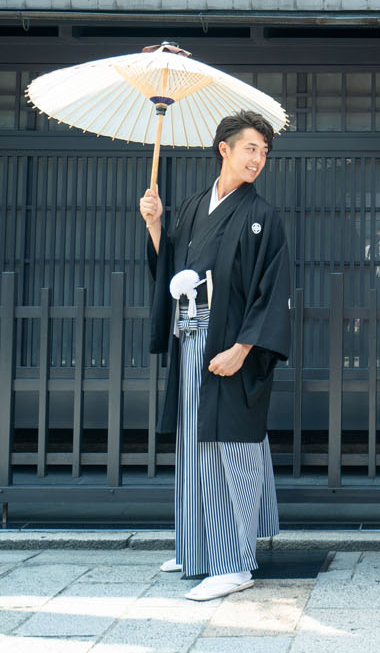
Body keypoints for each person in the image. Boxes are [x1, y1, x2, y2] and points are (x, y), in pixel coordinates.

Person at [139, 111, 292, 600]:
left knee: (231, 448)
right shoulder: (189, 206)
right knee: (193, 445)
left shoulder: (263, 216)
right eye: (251, 149)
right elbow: (172, 268)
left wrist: (244, 349)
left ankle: (233, 562)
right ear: (224, 149)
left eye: (264, 153)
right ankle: (198, 547)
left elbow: (272, 292)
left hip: (233, 343)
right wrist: (156, 225)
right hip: (192, 335)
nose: (258, 159)